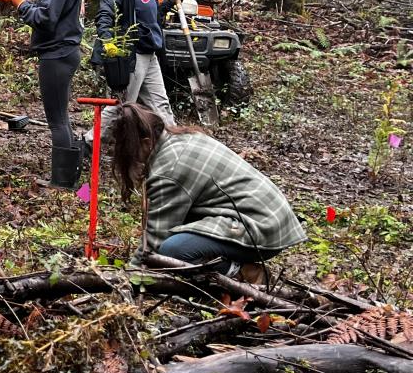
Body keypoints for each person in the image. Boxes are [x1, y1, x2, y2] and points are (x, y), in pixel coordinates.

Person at [110, 103, 305, 279]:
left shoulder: (169, 169)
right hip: (270, 218)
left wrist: (129, 278)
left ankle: (244, 273)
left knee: (172, 251)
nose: (133, 158)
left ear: (145, 142)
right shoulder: (180, 139)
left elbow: (154, 241)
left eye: (131, 150)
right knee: (176, 240)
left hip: (262, 228)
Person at [0, 0, 86, 189]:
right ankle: (71, 179)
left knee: (57, 119)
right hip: (64, 52)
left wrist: (18, 2)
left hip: (58, 54)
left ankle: (63, 181)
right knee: (62, 117)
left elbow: (46, 20)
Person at [93, 0, 176, 130]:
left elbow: (150, 16)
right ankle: (89, 143)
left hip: (150, 52)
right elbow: (105, 13)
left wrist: (168, 3)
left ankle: (174, 140)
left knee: (161, 103)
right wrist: (107, 40)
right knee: (122, 106)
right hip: (132, 55)